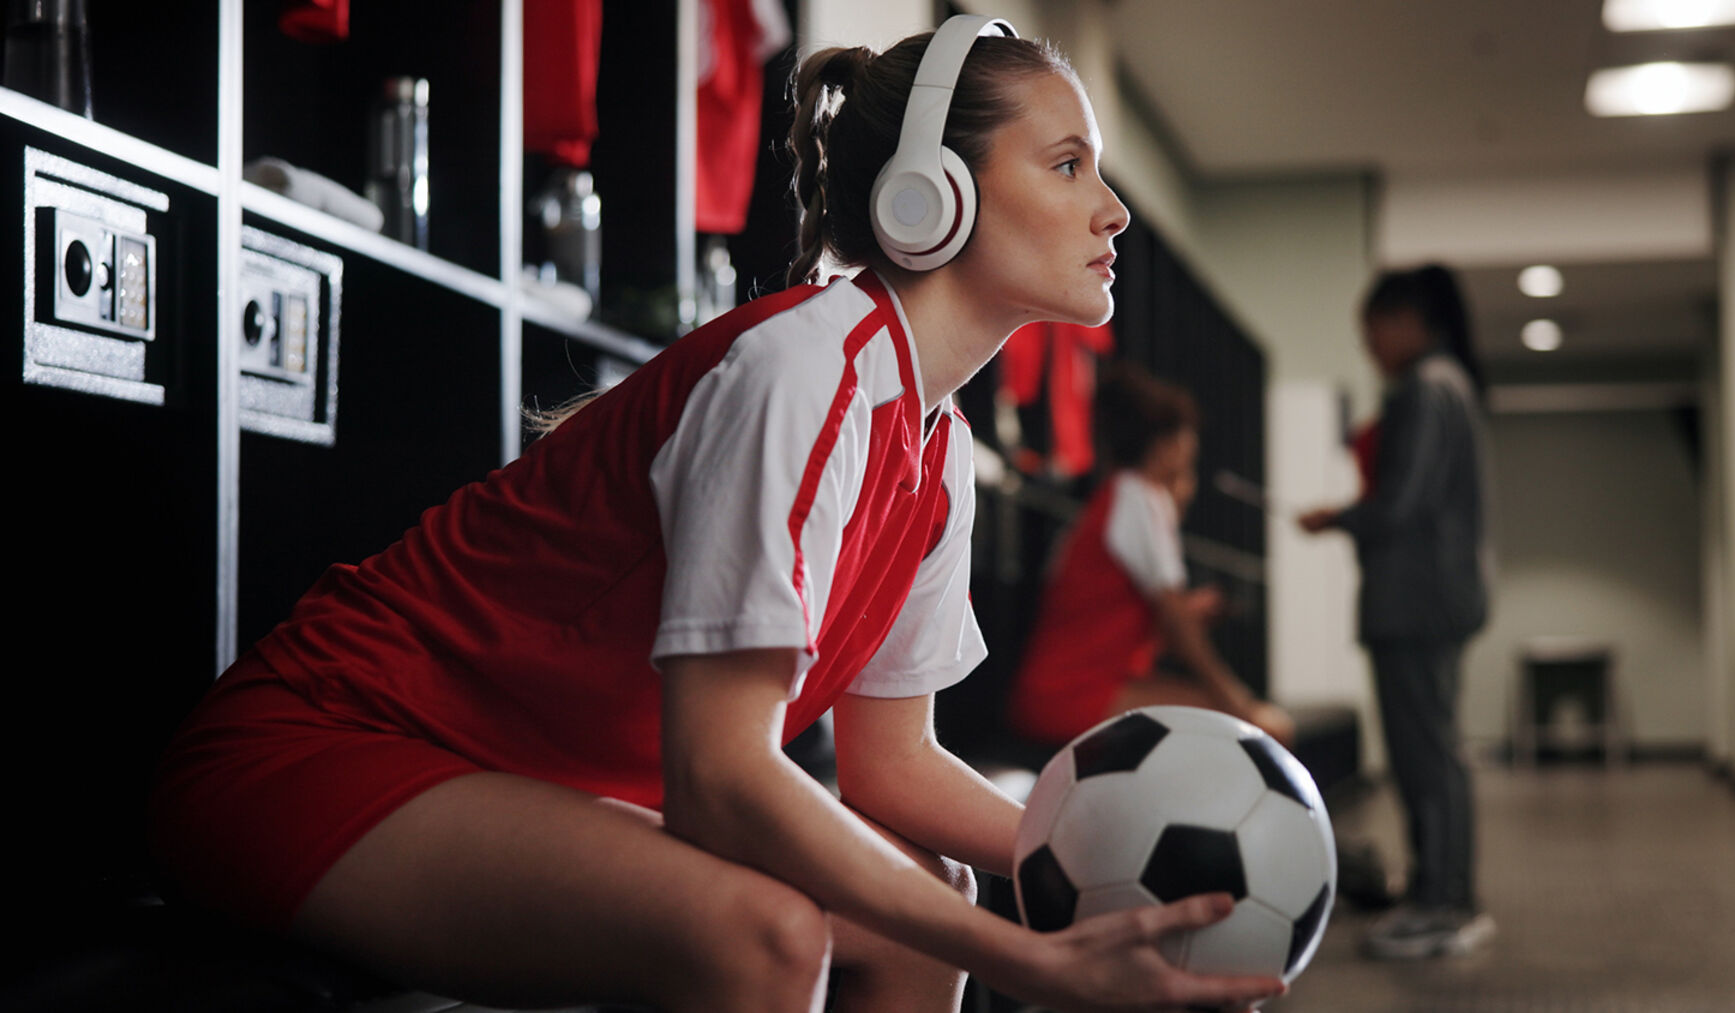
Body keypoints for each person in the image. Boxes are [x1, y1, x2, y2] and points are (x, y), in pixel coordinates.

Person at [145, 17, 1289, 1013]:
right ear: (933, 194)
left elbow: (894, 768)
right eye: (1068, 161)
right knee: (768, 932)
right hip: (323, 751)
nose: (1115, 209)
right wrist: (1027, 957)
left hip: (525, 783)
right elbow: (721, 774)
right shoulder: (798, 370)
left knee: (922, 899)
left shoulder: (937, 448)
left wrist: (1130, 866)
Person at [1296, 263, 1495, 960]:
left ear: (1408, 321)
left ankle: (1441, 904)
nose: (1370, 346)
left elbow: (1399, 505)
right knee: (1436, 752)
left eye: (1372, 330)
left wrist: (1336, 517)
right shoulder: (1453, 386)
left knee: (1425, 756)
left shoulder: (1422, 391)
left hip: (1417, 601)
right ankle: (1444, 892)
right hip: (1439, 598)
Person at [1005, 364, 1296, 750]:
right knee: (1259, 731)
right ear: (1167, 444)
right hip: (1070, 696)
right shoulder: (1139, 496)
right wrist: (1239, 701)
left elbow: (1128, 614)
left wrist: (1186, 613)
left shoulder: (1117, 497)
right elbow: (1174, 618)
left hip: (1066, 690)